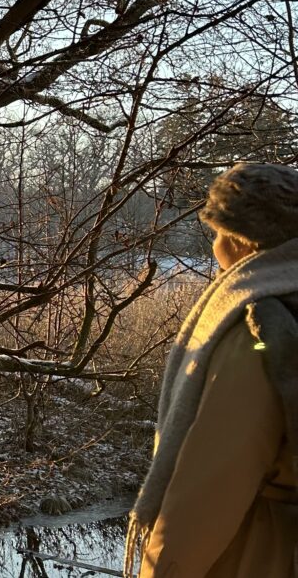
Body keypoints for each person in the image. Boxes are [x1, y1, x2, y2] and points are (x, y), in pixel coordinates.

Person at [125, 162, 298, 577]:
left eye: (218, 232)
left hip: (260, 550)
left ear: (244, 241)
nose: (214, 244)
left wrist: (162, 569)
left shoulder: (258, 324)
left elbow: (213, 484)